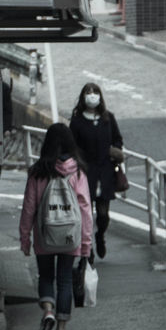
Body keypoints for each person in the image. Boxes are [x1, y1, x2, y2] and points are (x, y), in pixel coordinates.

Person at [18, 122, 93, 330]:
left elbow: (29, 207)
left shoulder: (38, 172)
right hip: (70, 235)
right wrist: (86, 243)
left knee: (46, 277)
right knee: (65, 280)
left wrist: (25, 238)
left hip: (44, 235)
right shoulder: (77, 171)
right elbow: (85, 209)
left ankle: (48, 311)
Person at [69, 81, 124, 260]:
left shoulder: (108, 118)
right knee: (86, 214)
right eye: (88, 92)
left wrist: (114, 150)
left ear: (100, 96)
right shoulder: (77, 121)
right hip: (86, 171)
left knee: (103, 214)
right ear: (83, 97)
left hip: (106, 170)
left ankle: (100, 235)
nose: (92, 95)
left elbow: (117, 139)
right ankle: (88, 247)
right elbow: (72, 145)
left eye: (95, 92)